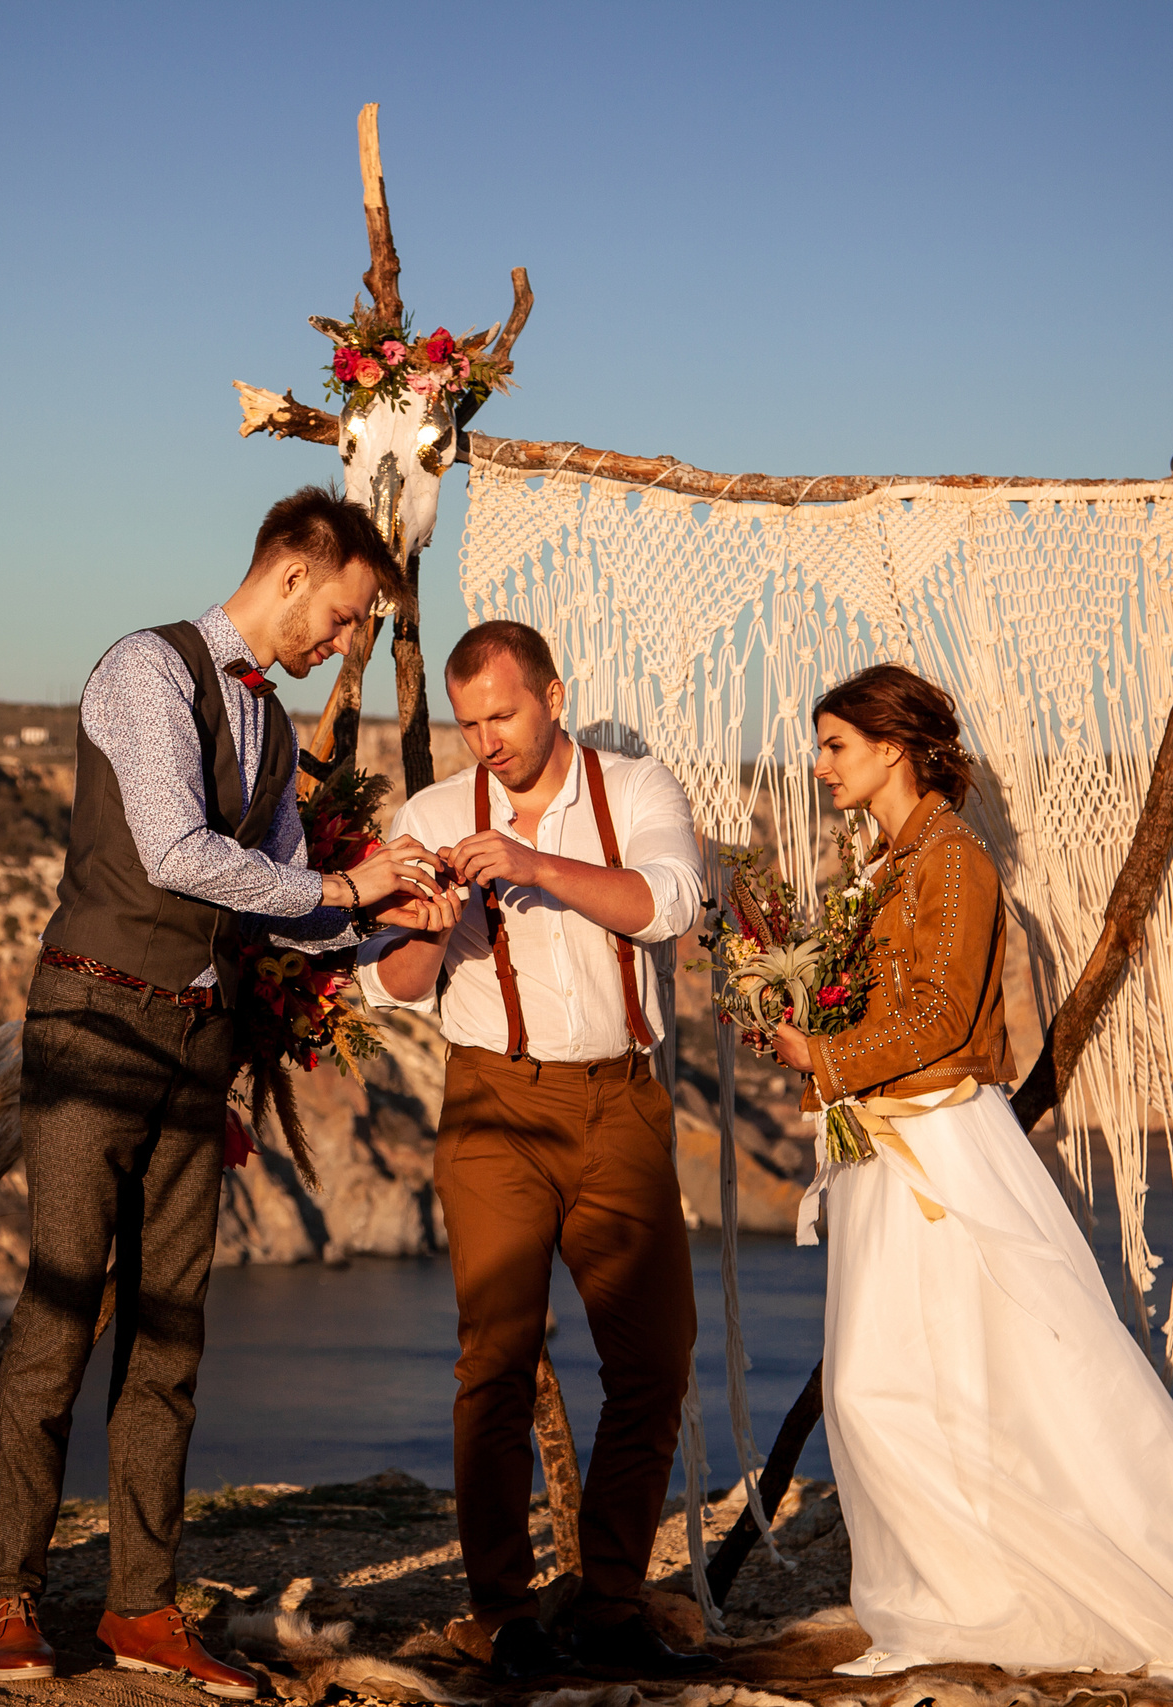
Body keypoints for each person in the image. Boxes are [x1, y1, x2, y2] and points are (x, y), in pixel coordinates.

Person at [769, 663, 1173, 1706]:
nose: (821, 764)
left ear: (891, 746)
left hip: (939, 1138)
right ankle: (941, 1597)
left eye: (836, 743)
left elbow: (937, 1019)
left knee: (898, 1385)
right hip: (892, 1141)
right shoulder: (892, 862)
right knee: (908, 1383)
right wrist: (805, 1029)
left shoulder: (954, 863)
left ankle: (964, 1601)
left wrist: (819, 1058)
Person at [0, 487, 447, 1693]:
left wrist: (384, 920)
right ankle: (6, 1596)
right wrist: (348, 891)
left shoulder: (273, 733)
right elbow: (182, 854)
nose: (339, 647)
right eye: (340, 619)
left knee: (171, 1332)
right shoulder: (146, 669)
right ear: (294, 570)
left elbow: (278, 905)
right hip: (90, 1022)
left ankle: (142, 1605)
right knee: (62, 1305)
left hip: (197, 1043)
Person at [357, 620, 710, 1683]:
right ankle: (500, 1609)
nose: (485, 743)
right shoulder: (431, 814)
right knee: (494, 1361)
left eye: (501, 716)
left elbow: (673, 907)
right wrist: (426, 920)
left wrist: (536, 864)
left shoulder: (637, 790)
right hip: (492, 1104)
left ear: (552, 694)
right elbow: (391, 985)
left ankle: (608, 1599)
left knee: (654, 1359)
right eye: (467, 724)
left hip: (619, 1101)